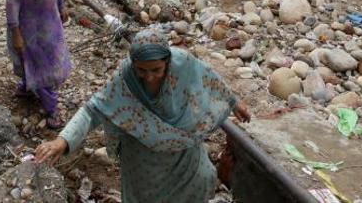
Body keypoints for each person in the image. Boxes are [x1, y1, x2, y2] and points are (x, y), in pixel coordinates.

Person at [35, 31, 251, 202]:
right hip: (142, 157)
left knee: (202, 179)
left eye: (156, 70)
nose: (148, 78)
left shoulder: (183, 64)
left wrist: (232, 102)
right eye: (141, 70)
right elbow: (94, 109)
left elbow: (208, 80)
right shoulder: (125, 79)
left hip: (183, 148)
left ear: (167, 61)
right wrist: (62, 141)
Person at [6, 0, 71, 129]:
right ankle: (52, 109)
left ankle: (27, 86)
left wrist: (62, 6)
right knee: (43, 66)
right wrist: (15, 32)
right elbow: (12, 3)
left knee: (51, 58)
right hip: (29, 27)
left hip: (50, 23)